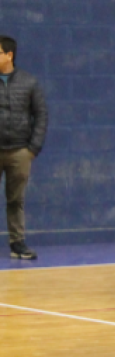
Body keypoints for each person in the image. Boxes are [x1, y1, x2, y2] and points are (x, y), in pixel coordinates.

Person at [0, 35, 48, 260]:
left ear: (9, 55)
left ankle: (17, 243)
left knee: (16, 200)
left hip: (20, 151)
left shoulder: (29, 82)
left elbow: (41, 115)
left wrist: (32, 149)